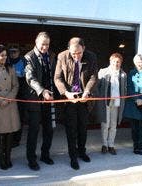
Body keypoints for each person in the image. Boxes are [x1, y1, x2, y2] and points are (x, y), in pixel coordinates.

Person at [54, 37, 97, 170]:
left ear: (83, 48)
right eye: (73, 53)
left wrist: (88, 91)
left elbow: (93, 77)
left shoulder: (91, 57)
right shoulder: (62, 56)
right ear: (68, 50)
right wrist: (66, 93)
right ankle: (73, 156)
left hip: (84, 98)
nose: (76, 56)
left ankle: (82, 152)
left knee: (83, 128)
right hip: (69, 99)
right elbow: (57, 78)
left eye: (79, 53)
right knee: (71, 129)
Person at [24, 32, 57, 171]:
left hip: (50, 99)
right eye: (42, 44)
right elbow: (30, 78)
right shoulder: (28, 57)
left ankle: (45, 154)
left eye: (47, 44)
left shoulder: (52, 56)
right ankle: (31, 159)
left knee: (49, 130)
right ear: (36, 43)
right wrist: (42, 91)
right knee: (34, 131)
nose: (45, 47)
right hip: (35, 99)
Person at [96, 53, 127, 155]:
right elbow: (97, 87)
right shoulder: (103, 72)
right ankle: (104, 144)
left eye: (118, 62)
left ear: (121, 63)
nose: (116, 63)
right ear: (110, 61)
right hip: (106, 102)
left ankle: (111, 145)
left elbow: (124, 89)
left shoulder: (123, 74)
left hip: (117, 102)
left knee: (113, 125)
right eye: (114, 61)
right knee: (105, 124)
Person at [8, 44, 28, 148]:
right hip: (8, 93)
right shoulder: (6, 61)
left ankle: (16, 140)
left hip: (21, 93)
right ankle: (9, 139)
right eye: (11, 51)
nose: (13, 53)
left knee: (19, 117)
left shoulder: (24, 62)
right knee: (9, 117)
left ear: (19, 52)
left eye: (15, 51)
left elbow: (28, 78)